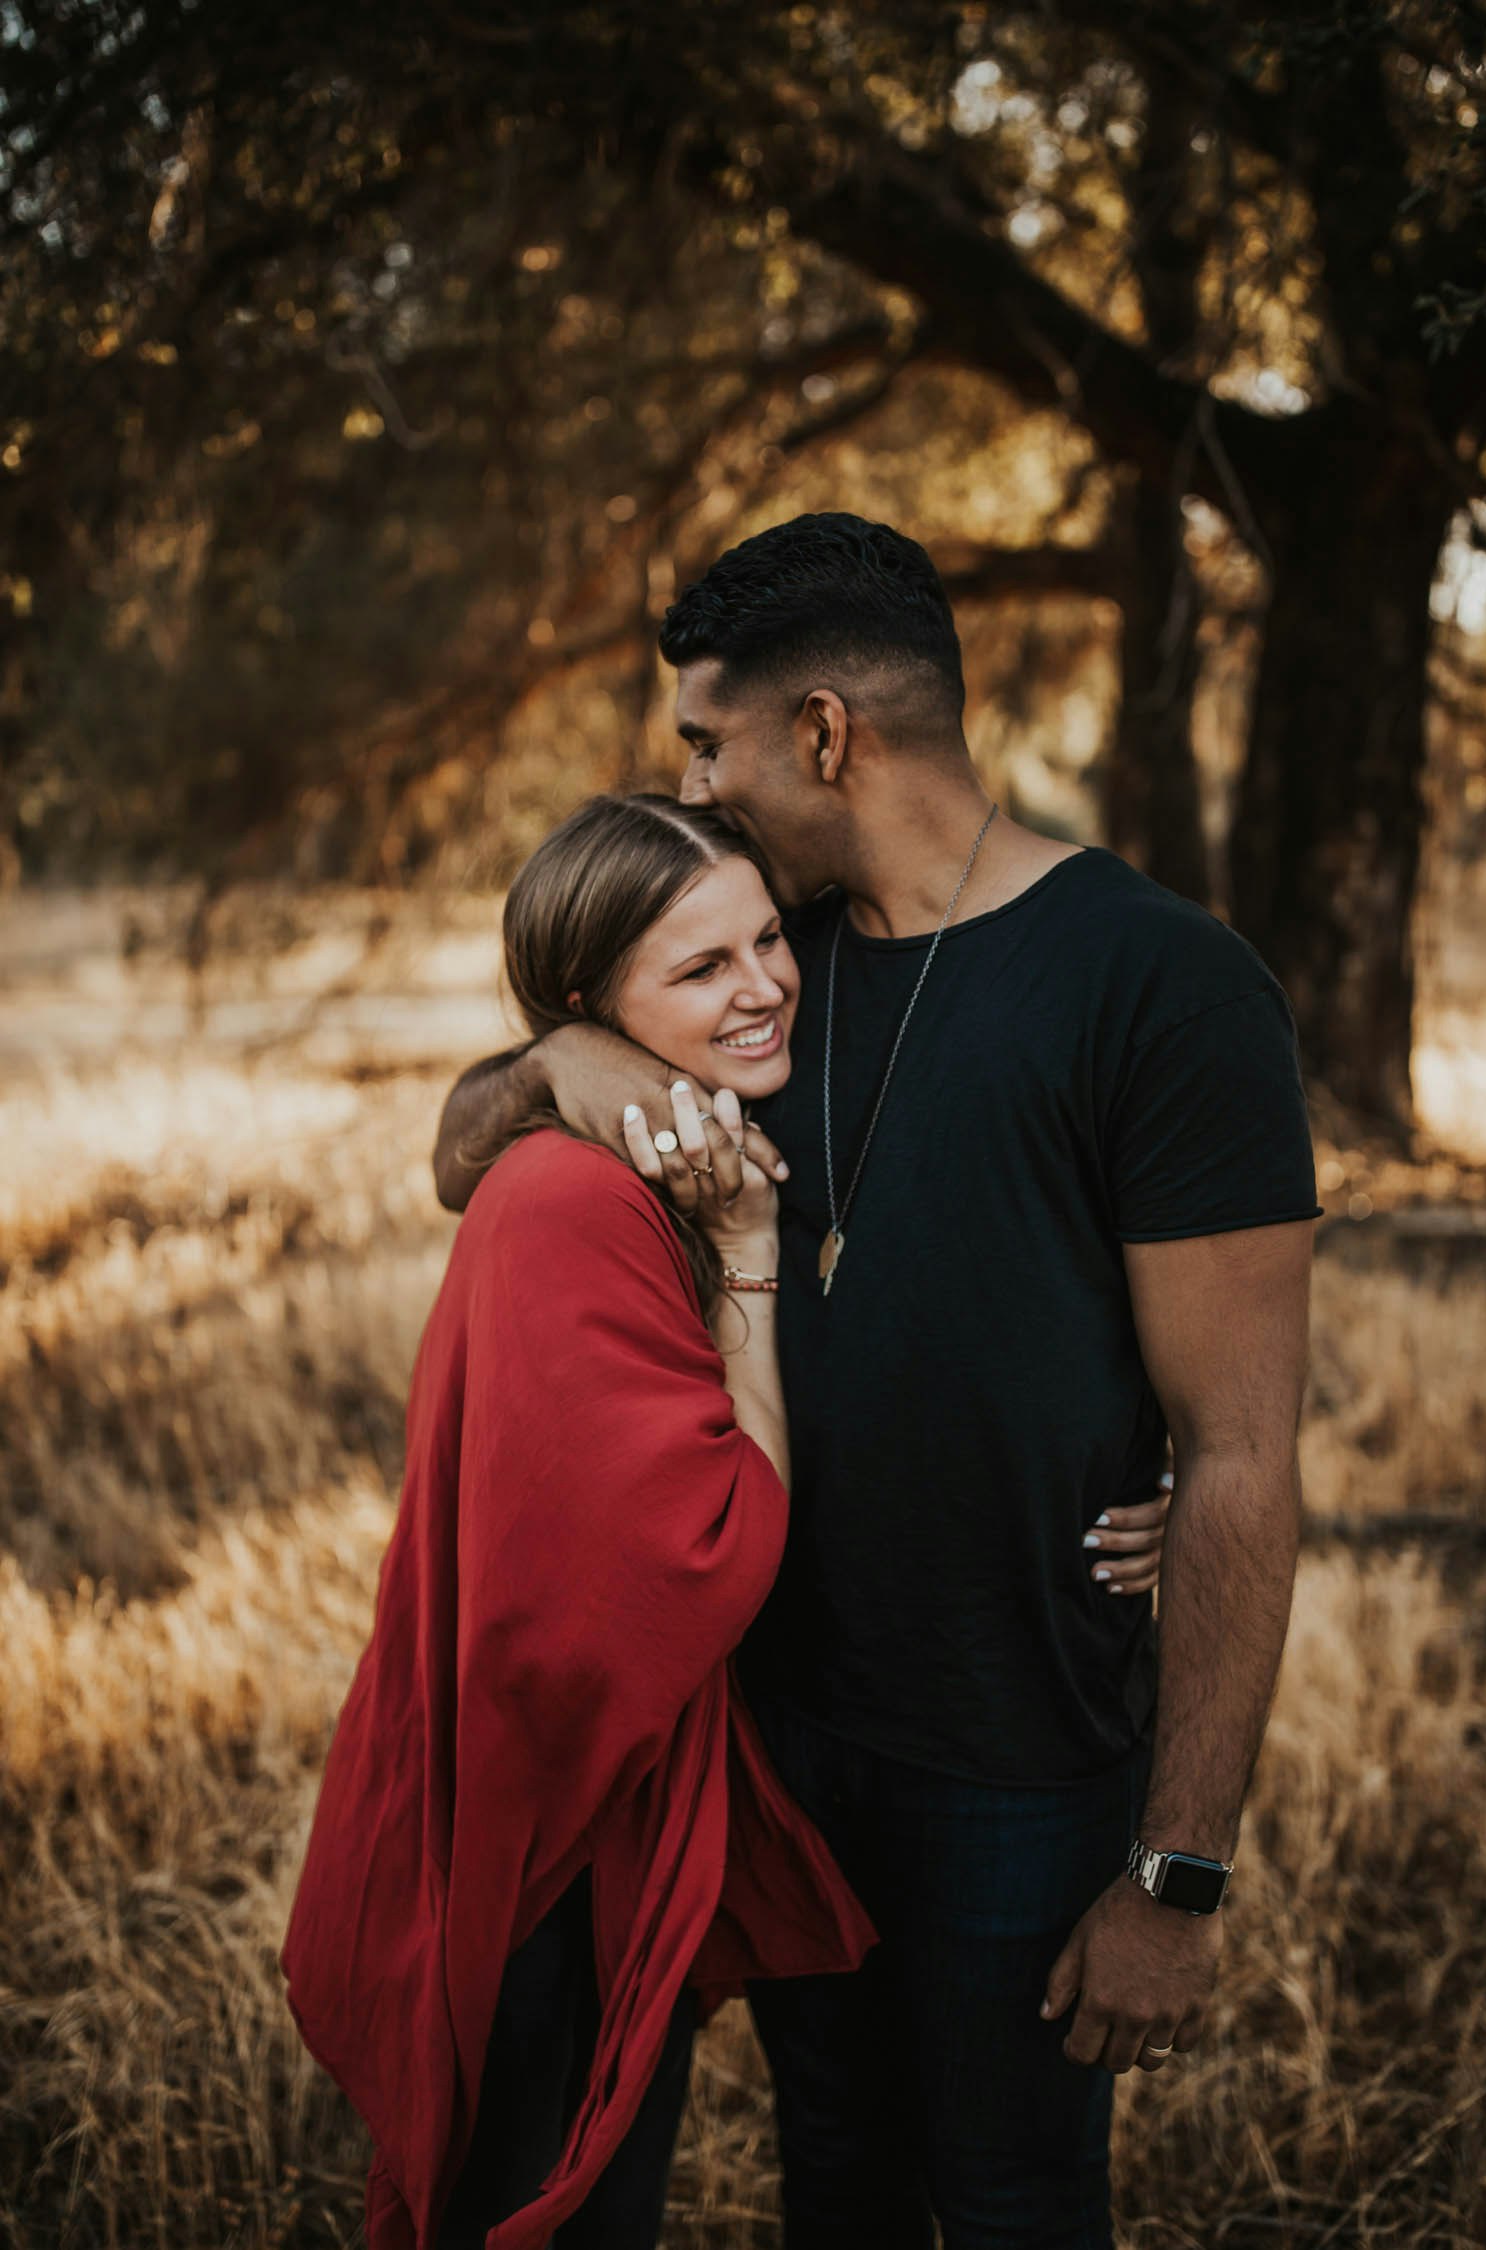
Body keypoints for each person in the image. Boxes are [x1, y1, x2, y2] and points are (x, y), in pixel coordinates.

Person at [433, 512, 1318, 2250]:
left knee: (1015, 2203)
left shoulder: (1164, 983)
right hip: (780, 1746)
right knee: (835, 2188)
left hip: (1021, 1760)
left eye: (711, 742)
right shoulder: (768, 963)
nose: (694, 781)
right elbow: (465, 1149)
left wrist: (1180, 1874)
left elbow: (1239, 1451)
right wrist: (565, 1059)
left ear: (826, 731)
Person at [280, 794, 895, 2250]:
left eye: (768, 940)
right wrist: (747, 1256)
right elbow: (718, 1551)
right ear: (589, 1007)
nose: (763, 985)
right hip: (550, 1847)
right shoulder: (580, 1202)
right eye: (702, 967)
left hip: (576, 1806)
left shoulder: (642, 1153)